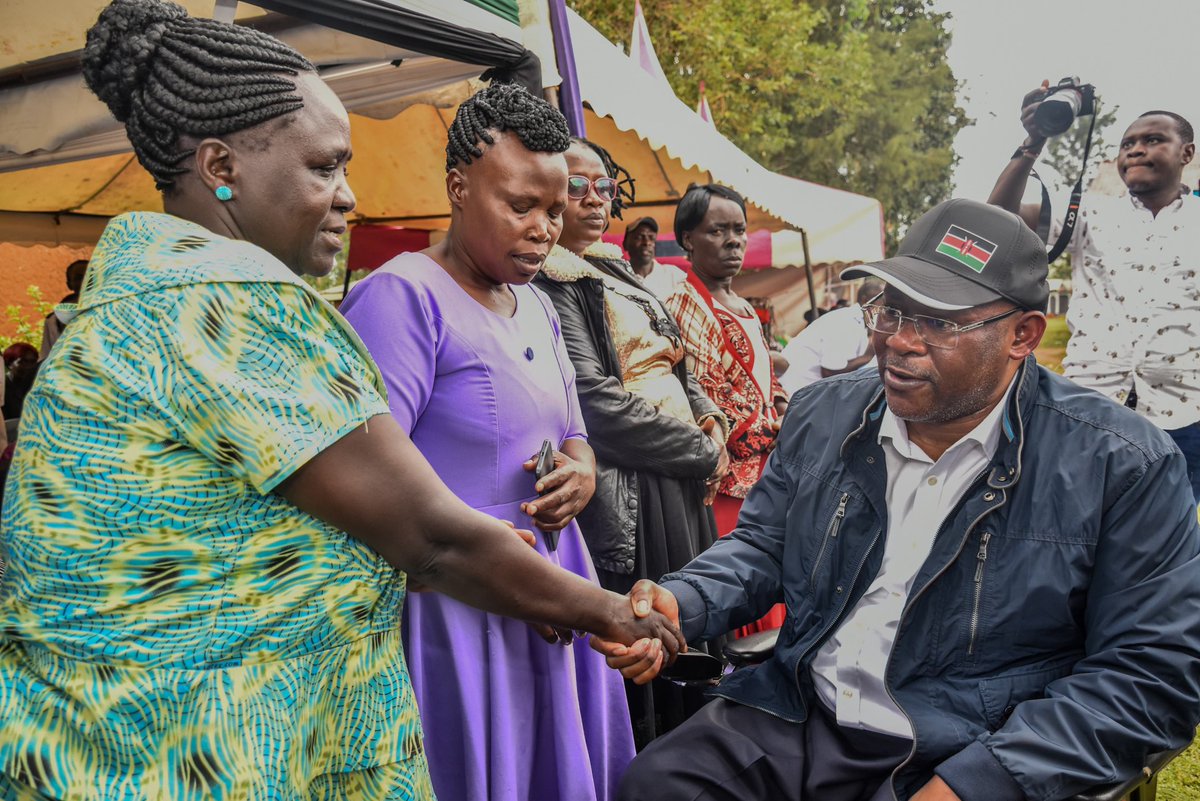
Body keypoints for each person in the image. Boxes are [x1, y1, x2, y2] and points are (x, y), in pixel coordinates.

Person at [0, 3, 680, 799]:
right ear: (221, 165)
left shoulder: (140, 291)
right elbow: (427, 535)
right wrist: (610, 611)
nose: (351, 197)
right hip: (193, 752)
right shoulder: (227, 303)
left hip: (102, 744)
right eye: (324, 167)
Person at [596, 198, 1200, 801]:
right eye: (892, 311)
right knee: (656, 787)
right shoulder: (824, 413)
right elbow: (764, 546)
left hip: (973, 741)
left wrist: (984, 781)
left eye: (940, 322)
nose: (901, 342)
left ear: (1023, 335)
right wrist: (684, 599)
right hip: (800, 709)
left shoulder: (1122, 464)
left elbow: (1150, 674)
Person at [340, 82, 634, 801]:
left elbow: (571, 427)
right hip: (457, 600)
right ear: (458, 187)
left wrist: (583, 470)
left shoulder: (535, 302)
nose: (543, 229)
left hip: (557, 578)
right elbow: (369, 488)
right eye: (520, 205)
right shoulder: (400, 297)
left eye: (556, 210)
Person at [533, 138, 728, 741]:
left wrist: (708, 418)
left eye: (604, 185)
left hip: (678, 472)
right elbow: (596, 403)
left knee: (691, 624)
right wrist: (701, 449)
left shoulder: (614, 267)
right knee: (649, 644)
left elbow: (680, 363)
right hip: (637, 491)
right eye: (577, 186)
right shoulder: (552, 280)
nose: (595, 199)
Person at [989, 88, 1200, 503]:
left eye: (1153, 140)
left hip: (1187, 413)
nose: (1136, 151)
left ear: (1187, 154)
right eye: (1127, 144)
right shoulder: (1089, 213)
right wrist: (1033, 142)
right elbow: (996, 220)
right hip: (1091, 406)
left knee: (1169, 541)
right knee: (1078, 529)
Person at [665, 184, 788, 635]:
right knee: (736, 584)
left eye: (739, 230)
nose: (734, 240)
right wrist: (771, 429)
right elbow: (705, 395)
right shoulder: (687, 304)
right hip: (725, 484)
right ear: (688, 239)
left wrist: (784, 408)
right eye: (718, 230)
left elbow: (767, 381)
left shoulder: (742, 307)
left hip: (762, 477)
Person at [779, 278, 884, 395]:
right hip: (796, 390)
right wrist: (866, 357)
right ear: (867, 301)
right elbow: (829, 371)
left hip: (810, 391)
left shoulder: (859, 323)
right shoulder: (846, 321)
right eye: (883, 303)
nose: (885, 309)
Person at [622, 215, 685, 299]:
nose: (647, 242)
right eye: (639, 237)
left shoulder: (674, 275)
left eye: (651, 238)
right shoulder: (619, 276)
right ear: (625, 244)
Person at [38, 259, 88, 360]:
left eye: (90, 275)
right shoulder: (52, 321)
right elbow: (46, 356)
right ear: (69, 284)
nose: (85, 281)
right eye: (79, 278)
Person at [1, 343, 38, 419]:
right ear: (9, 364)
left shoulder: (37, 387)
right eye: (23, 362)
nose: (29, 366)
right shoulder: (3, 387)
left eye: (33, 362)